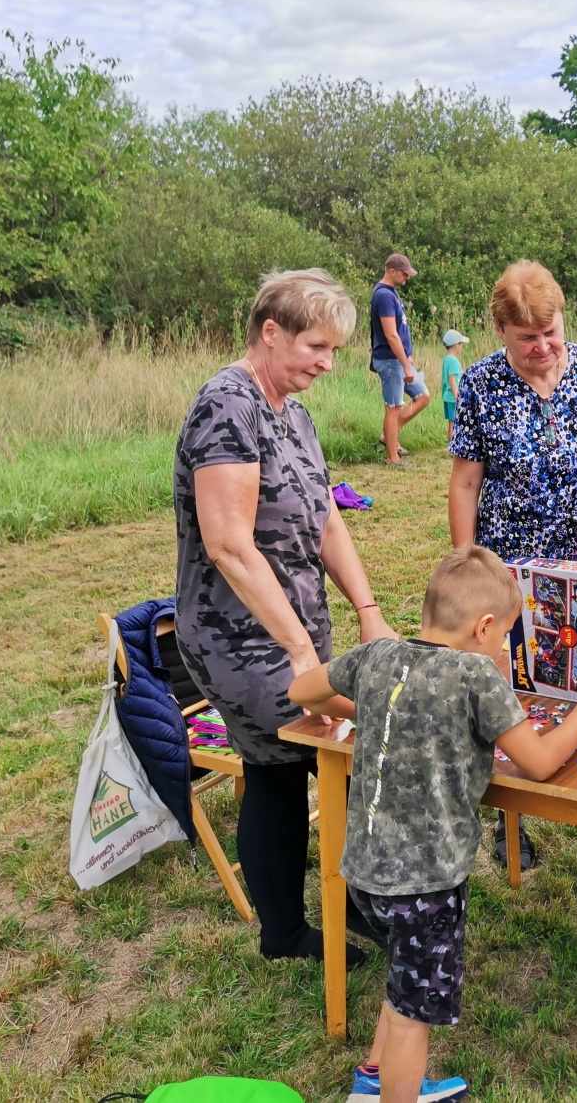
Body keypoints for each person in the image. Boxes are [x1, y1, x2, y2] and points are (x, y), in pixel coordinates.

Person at [289, 546, 577, 1103]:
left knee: (403, 977)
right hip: (426, 887)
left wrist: (375, 709)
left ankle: (373, 1078)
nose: (503, 649)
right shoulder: (475, 675)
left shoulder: (377, 655)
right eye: (504, 636)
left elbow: (300, 691)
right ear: (483, 627)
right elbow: (537, 762)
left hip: (364, 873)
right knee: (413, 1014)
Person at [173, 268, 399, 964]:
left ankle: (306, 920)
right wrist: (301, 651)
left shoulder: (292, 413)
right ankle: (345, 909)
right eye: (316, 347)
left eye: (334, 350)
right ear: (270, 332)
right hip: (238, 638)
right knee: (333, 749)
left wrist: (367, 609)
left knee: (277, 766)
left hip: (296, 627)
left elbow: (325, 514)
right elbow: (228, 545)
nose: (328, 363)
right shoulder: (226, 406)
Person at [448, 259, 577, 867]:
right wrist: (468, 563)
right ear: (500, 330)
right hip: (510, 566)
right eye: (527, 337)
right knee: (508, 690)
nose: (543, 347)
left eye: (551, 333)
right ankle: (511, 817)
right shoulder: (479, 385)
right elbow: (466, 483)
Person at [370, 253, 431, 466]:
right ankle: (392, 458)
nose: (408, 277)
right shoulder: (384, 296)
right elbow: (391, 334)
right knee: (393, 406)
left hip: (399, 359)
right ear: (391, 271)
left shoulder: (392, 293)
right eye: (404, 273)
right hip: (390, 361)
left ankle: (389, 435)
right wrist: (404, 364)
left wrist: (407, 357)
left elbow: (400, 330)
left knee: (423, 397)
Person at [440, 328, 469, 438]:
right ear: (456, 345)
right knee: (455, 422)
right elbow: (452, 380)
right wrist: (458, 396)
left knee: (452, 422)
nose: (462, 347)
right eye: (461, 344)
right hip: (453, 397)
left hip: (448, 396)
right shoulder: (453, 360)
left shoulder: (446, 359)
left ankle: (451, 444)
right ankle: (454, 444)